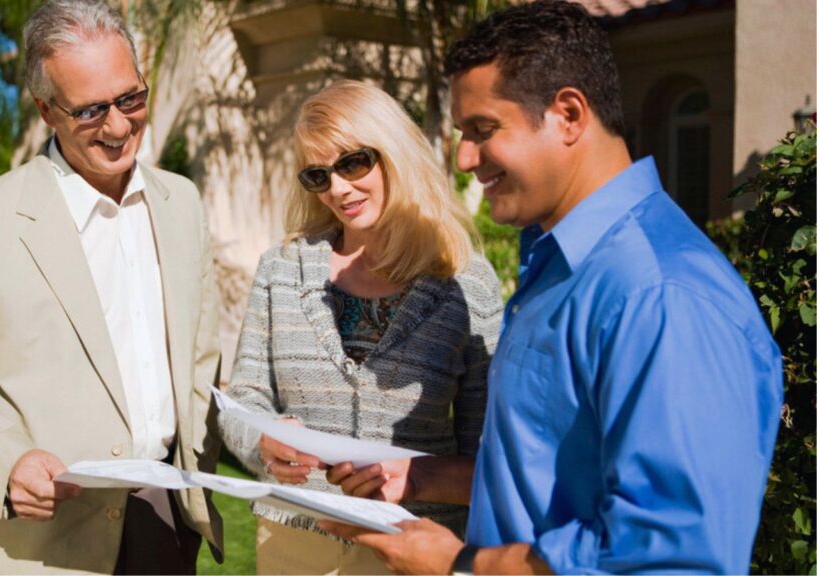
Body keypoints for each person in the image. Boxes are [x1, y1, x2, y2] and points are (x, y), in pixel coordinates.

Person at [321, 2, 783, 574]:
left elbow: (668, 555)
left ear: (567, 114)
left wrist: (463, 565)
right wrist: (418, 476)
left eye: (483, 130)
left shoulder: (661, 295)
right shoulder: (559, 261)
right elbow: (551, 472)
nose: (465, 159)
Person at [0, 1, 223, 573]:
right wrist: (7, 463)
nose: (120, 126)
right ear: (47, 110)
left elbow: (202, 365)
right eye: (92, 110)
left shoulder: (184, 202)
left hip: (166, 526)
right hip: (37, 547)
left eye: (131, 98)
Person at [218, 79, 503, 575]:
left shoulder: (467, 283)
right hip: (292, 543)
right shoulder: (281, 269)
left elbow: (488, 458)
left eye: (353, 163)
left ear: (395, 153)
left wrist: (417, 481)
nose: (338, 188)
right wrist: (260, 441)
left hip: (414, 547)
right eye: (318, 175)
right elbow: (244, 402)